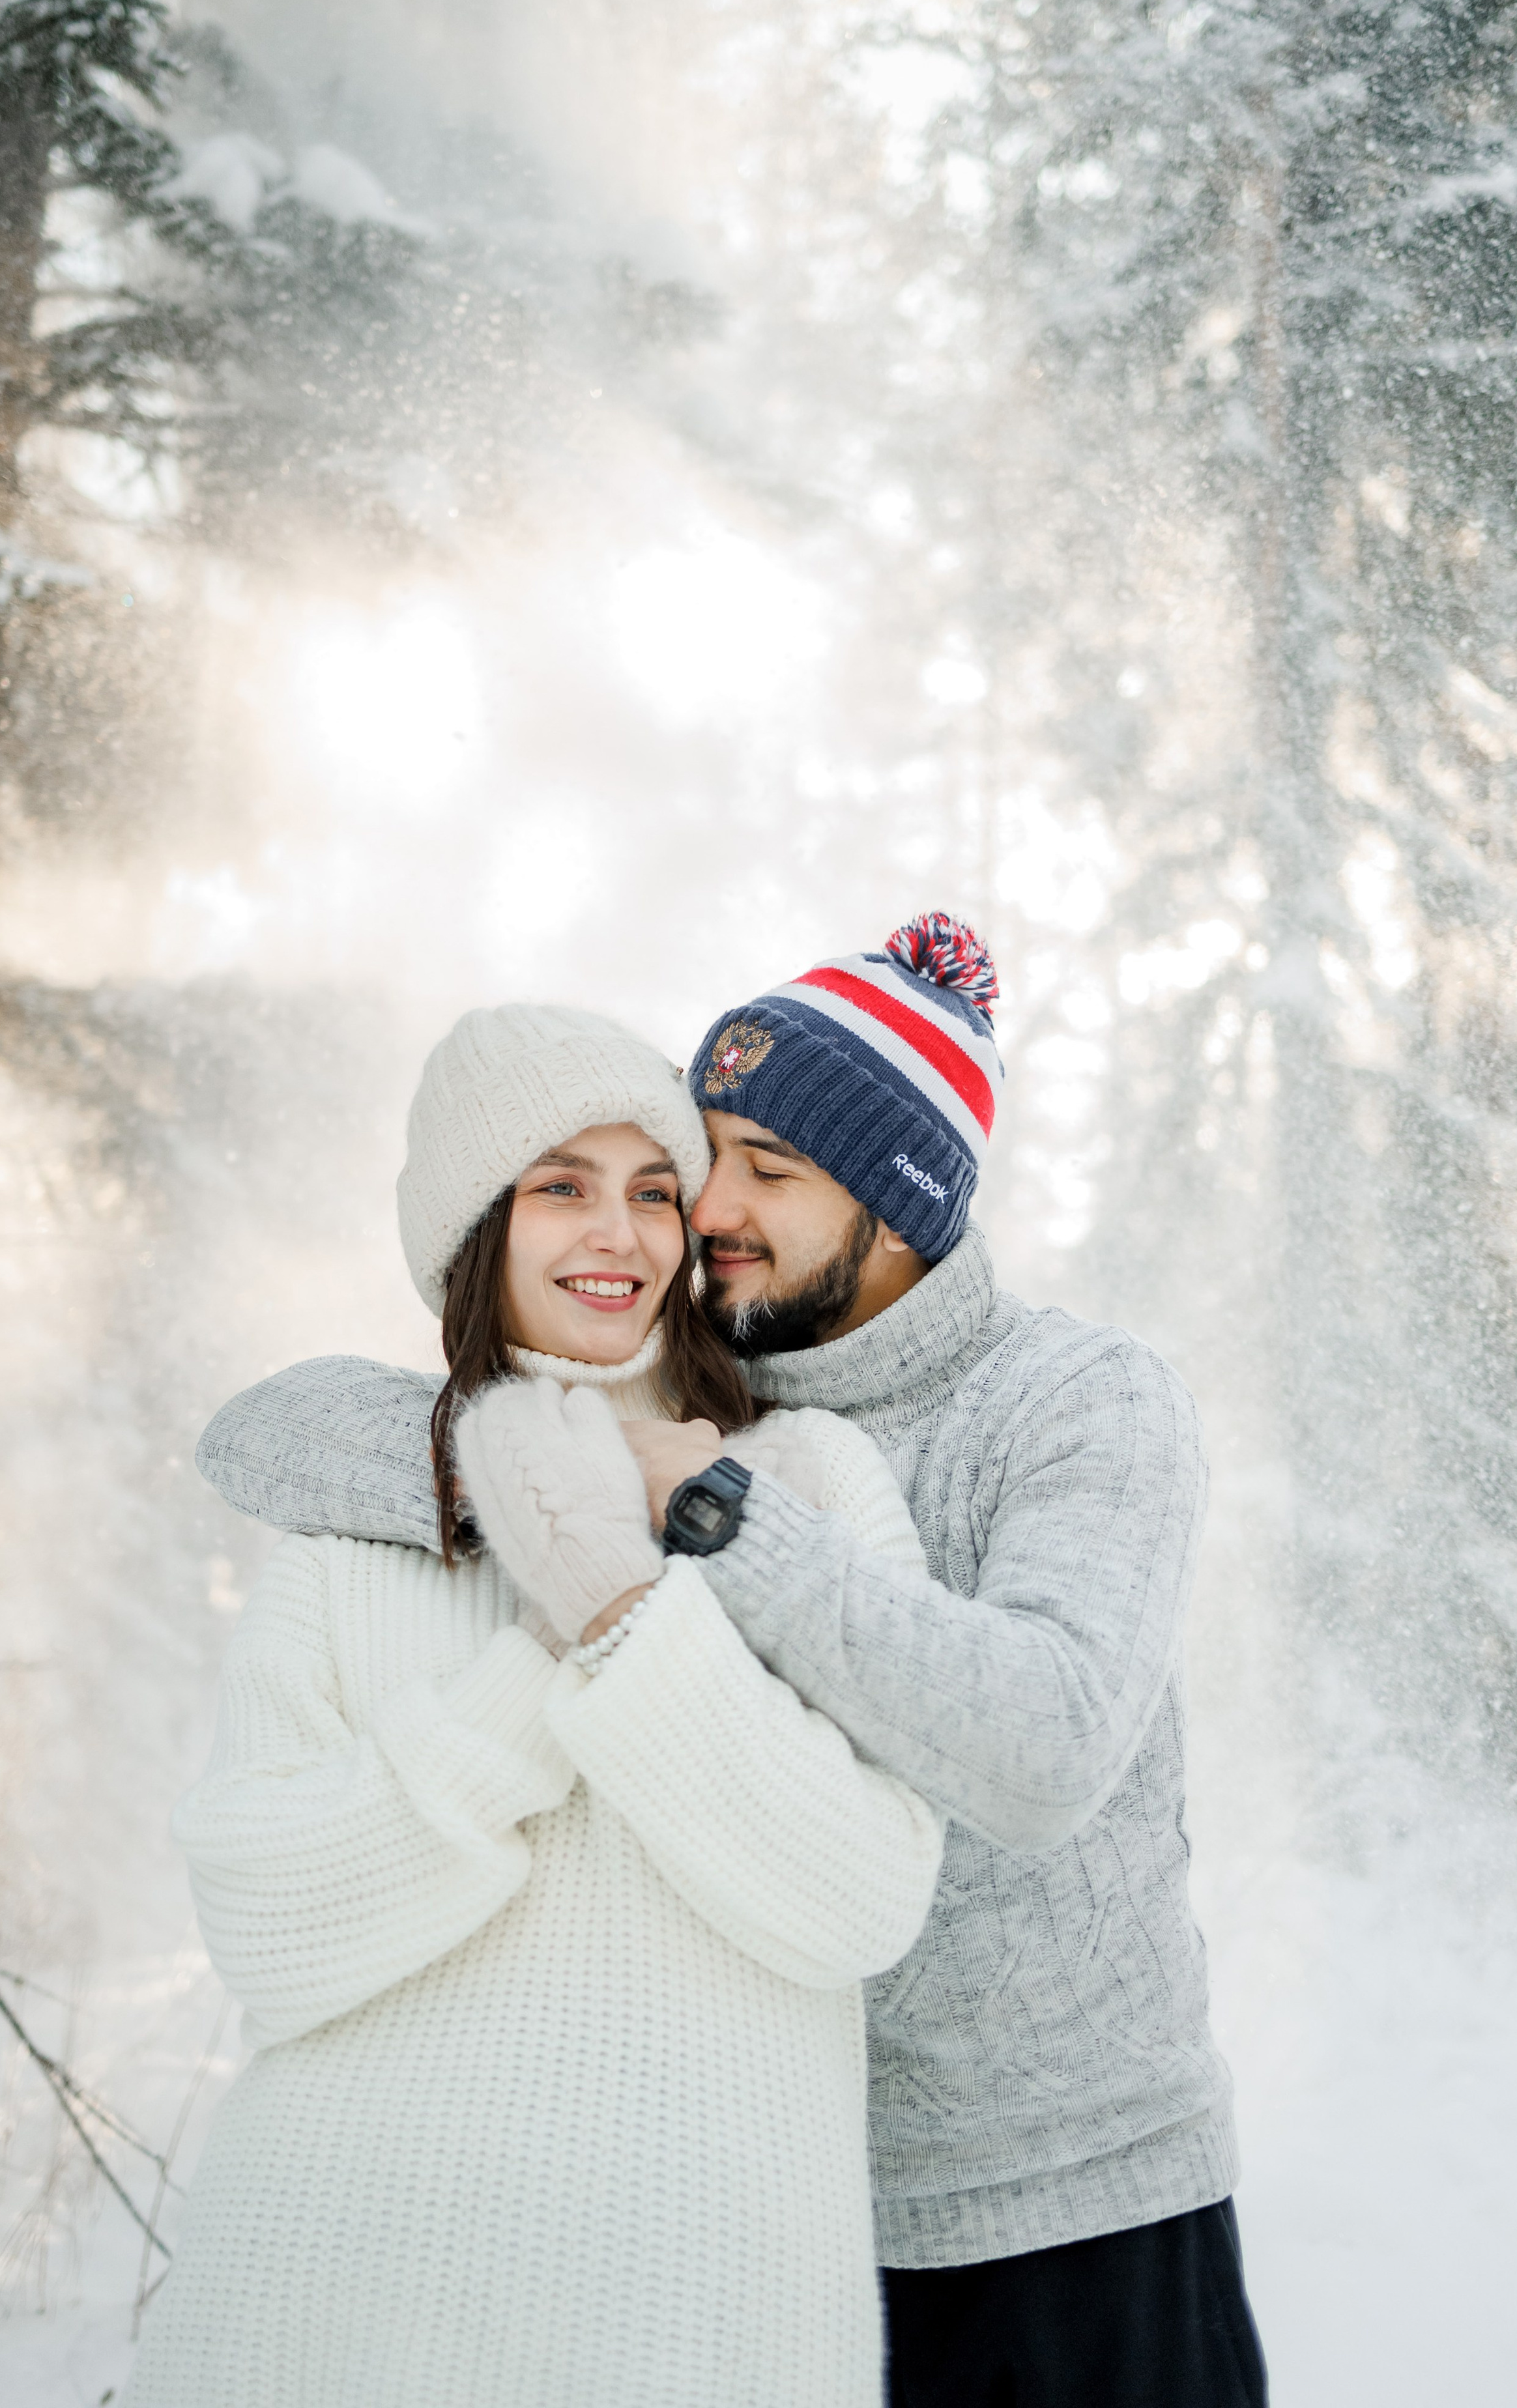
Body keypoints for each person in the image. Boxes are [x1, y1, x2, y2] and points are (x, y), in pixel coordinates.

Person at [197, 915, 1271, 2408]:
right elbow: (271, 1433)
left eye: (768, 1170)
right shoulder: (713, 1374)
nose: (707, 1211)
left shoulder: (1066, 1402)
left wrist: (707, 1509)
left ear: (896, 1202)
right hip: (778, 2217)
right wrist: (534, 1464)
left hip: (1065, 2198)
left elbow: (1041, 1745)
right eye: (706, 1162)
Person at [126, 1003, 945, 2408]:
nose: (614, 1237)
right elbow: (268, 1931)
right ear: (474, 1232)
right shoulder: (349, 1534)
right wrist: (539, 1655)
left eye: (650, 1193)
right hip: (320, 2320)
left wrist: (628, 1617)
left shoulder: (807, 1491)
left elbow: (861, 1897)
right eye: (557, 1187)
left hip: (693, 2325)